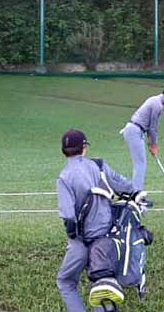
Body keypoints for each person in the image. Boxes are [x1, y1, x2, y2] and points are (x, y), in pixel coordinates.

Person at [56, 129, 135, 312]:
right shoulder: (99, 166)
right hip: (106, 239)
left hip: (82, 241)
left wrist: (74, 236)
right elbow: (125, 185)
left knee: (65, 281)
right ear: (84, 148)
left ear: (64, 151)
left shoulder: (64, 177)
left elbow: (68, 216)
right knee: (102, 282)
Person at [119, 85, 164, 191]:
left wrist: (151, 143)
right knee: (140, 164)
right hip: (134, 130)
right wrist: (153, 145)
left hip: (136, 131)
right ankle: (136, 194)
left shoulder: (155, 100)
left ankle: (135, 192)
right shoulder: (157, 105)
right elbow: (153, 128)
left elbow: (149, 127)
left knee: (140, 163)